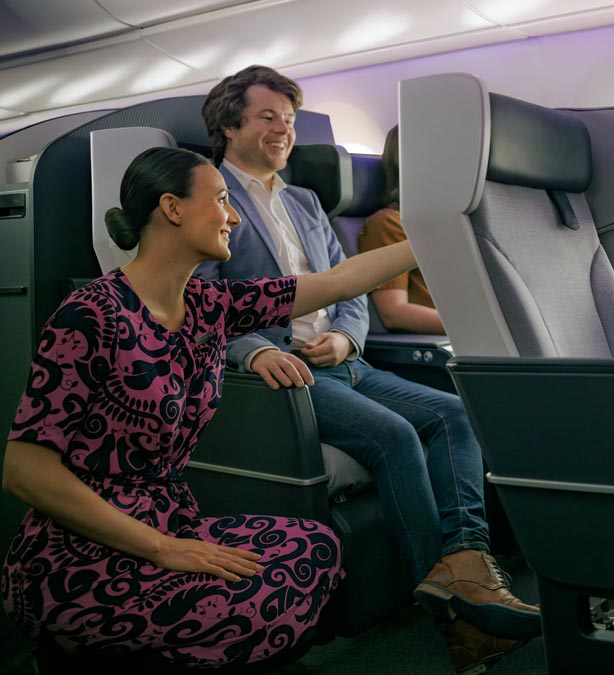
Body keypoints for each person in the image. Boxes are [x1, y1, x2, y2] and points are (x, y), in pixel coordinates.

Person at [0, 145, 416, 667]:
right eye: (221, 199)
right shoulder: (90, 316)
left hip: (174, 521)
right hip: (84, 550)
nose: (234, 215)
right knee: (247, 604)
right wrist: (162, 549)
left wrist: (433, 234)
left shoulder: (209, 305)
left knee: (317, 547)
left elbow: (336, 282)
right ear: (172, 209)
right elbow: (24, 472)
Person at [194, 65, 538, 667]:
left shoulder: (303, 201)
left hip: (342, 361)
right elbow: (199, 302)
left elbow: (352, 291)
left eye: (291, 120)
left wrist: (349, 342)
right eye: (268, 116)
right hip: (285, 375)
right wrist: (257, 349)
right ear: (228, 123)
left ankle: (467, 565)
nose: (283, 130)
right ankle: (456, 614)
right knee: (395, 434)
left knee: (455, 413)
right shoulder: (210, 197)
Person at [359, 125, 445, 334]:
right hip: (452, 343)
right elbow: (394, 312)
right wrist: (479, 329)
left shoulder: (448, 225)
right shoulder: (388, 223)